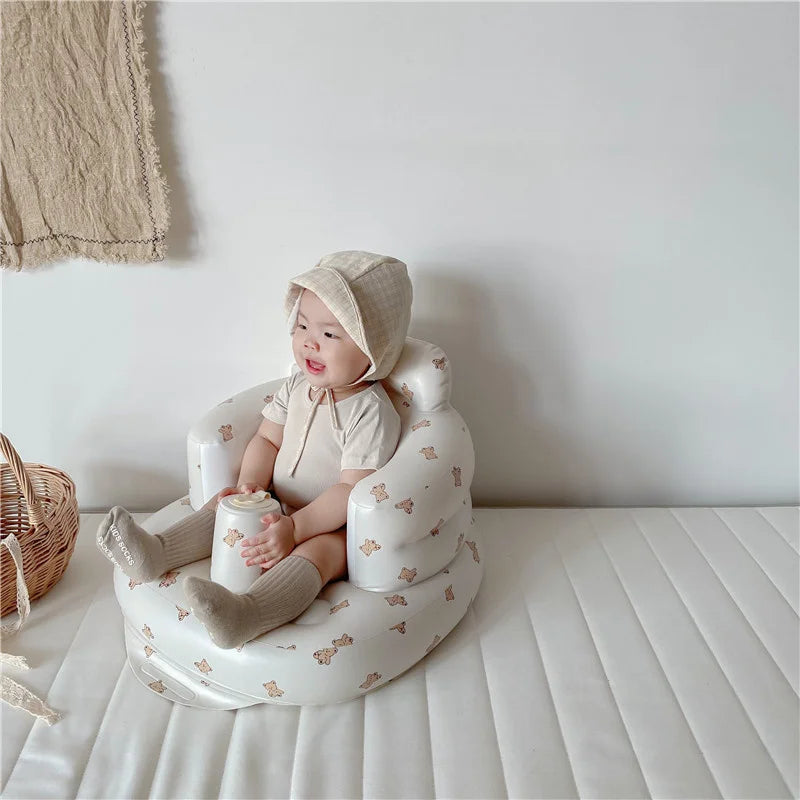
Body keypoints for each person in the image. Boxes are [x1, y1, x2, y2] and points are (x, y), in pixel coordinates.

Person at [96, 250, 413, 648]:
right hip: (278, 503)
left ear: (374, 349)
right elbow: (267, 439)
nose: (310, 343)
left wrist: (296, 529)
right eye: (301, 326)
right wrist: (249, 486)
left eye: (330, 334)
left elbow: (351, 489)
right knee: (228, 507)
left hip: (333, 526)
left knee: (320, 554)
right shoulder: (299, 385)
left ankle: (248, 614)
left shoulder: (369, 412)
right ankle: (155, 554)